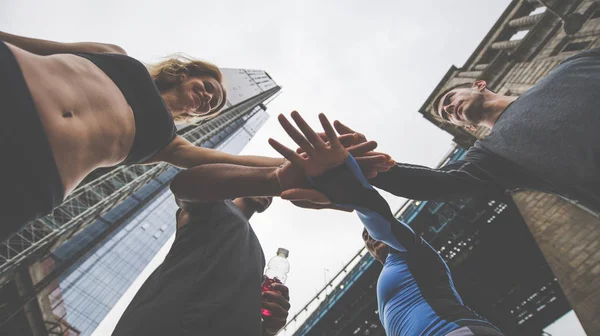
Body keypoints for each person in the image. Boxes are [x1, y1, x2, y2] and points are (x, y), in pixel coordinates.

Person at [0, 30, 293, 241]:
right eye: (206, 86)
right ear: (185, 75)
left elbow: (226, 160)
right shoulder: (117, 55)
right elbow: (37, 46)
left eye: (211, 105)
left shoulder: (169, 143)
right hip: (12, 85)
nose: (206, 97)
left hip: (34, 179)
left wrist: (297, 163)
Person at [268, 111, 504, 336]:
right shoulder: (391, 268)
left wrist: (340, 178)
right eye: (367, 239)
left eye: (370, 233)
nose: (372, 238)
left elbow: (381, 220)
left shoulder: (410, 252)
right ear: (369, 252)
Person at [316, 48, 600, 213]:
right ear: (468, 126)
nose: (449, 109)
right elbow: (440, 183)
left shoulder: (571, 68)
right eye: (446, 115)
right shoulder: (492, 154)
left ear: (478, 84)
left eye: (449, 99)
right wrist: (374, 166)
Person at [111, 195, 290, 336]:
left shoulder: (259, 253)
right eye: (265, 184)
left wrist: (268, 329)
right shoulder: (213, 204)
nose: (270, 193)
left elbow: (235, 313)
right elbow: (186, 185)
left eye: (273, 193)